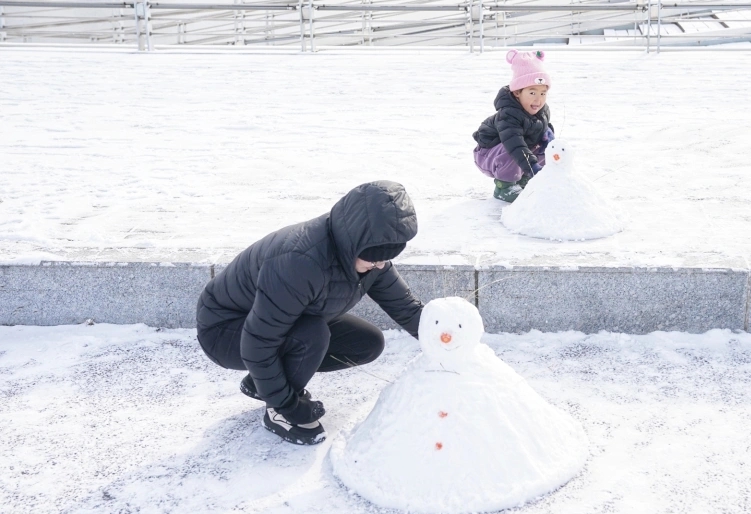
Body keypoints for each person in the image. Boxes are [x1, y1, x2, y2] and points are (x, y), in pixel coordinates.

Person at [196, 181, 423, 446]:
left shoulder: (364, 253)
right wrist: (289, 404)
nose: (380, 265)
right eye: (373, 259)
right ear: (355, 244)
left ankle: (262, 384)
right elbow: (259, 340)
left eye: (385, 259)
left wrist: (448, 341)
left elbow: (406, 307)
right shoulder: (299, 260)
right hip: (225, 329)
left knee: (367, 343)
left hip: (280, 322)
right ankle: (277, 412)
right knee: (311, 335)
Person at [472, 49, 556, 203]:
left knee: (544, 146)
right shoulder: (508, 115)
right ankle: (504, 187)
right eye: (532, 93)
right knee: (513, 148)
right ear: (517, 92)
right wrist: (532, 167)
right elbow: (515, 144)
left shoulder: (542, 110)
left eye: (543, 93)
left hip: (514, 153)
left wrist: (548, 136)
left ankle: (523, 181)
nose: (538, 100)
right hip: (488, 155)